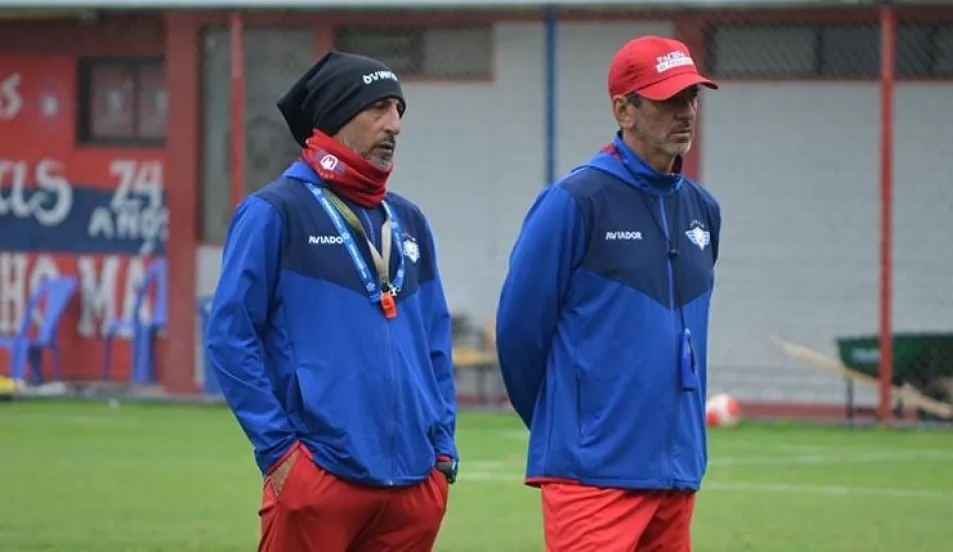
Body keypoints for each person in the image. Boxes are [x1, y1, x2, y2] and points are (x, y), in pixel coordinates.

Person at [205, 50, 459, 552]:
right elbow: (229, 338)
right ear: (335, 117)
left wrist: (442, 449)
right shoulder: (273, 213)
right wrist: (280, 454)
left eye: (399, 111)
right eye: (379, 109)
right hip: (318, 477)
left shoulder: (409, 221)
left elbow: (435, 342)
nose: (395, 126)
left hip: (414, 485)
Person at [495, 35, 721, 552]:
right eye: (668, 99)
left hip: (676, 473)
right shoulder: (574, 202)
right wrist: (575, 425)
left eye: (691, 97)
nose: (686, 111)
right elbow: (518, 334)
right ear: (624, 109)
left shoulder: (703, 211)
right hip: (592, 475)